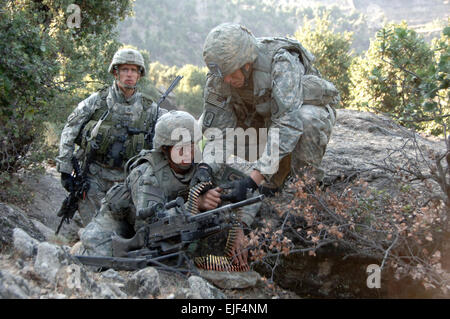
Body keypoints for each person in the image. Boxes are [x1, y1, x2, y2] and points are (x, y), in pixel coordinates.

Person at [197, 23, 340, 227]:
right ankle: (274, 180)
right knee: (202, 121)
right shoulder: (219, 78)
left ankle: (306, 192)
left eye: (231, 72)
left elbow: (288, 124)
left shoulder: (281, 61)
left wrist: (252, 180)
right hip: (261, 125)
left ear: (247, 63)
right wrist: (206, 169)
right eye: (223, 74)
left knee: (308, 118)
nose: (227, 80)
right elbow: (218, 134)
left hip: (290, 122)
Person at [78, 111, 256, 269]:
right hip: (124, 220)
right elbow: (149, 225)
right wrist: (197, 203)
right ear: (165, 148)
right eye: (180, 148)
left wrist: (240, 227)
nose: (188, 153)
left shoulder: (203, 166)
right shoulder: (147, 173)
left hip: (172, 223)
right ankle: (81, 239)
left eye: (191, 145)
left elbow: (246, 190)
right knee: (95, 262)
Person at [55, 48, 167, 226]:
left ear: (139, 75)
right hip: (93, 178)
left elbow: (169, 133)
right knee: (92, 230)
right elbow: (70, 130)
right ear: (116, 72)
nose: (129, 74)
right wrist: (65, 169)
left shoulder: (150, 109)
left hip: (128, 182)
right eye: (125, 69)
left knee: (129, 231)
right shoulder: (97, 101)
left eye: (134, 70)